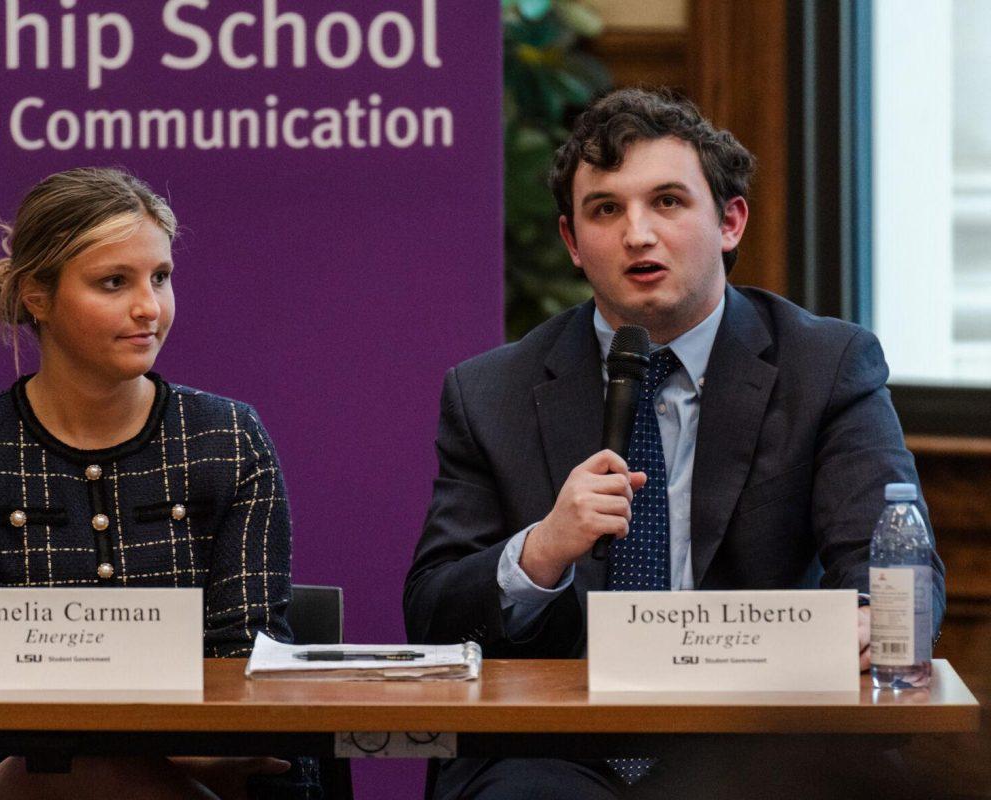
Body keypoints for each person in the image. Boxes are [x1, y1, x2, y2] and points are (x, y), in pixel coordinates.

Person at [403, 88, 945, 799]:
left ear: (729, 220)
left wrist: (877, 621)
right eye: (606, 210)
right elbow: (434, 611)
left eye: (667, 202)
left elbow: (890, 564)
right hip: (553, 751)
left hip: (758, 741)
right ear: (572, 242)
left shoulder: (826, 367)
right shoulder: (491, 392)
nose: (637, 234)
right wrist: (538, 553)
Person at [0, 167, 318, 800]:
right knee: (65, 771)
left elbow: (247, 656)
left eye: (161, 278)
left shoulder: (228, 437)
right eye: (114, 283)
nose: (149, 307)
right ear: (37, 296)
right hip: (14, 774)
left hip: (224, 764)